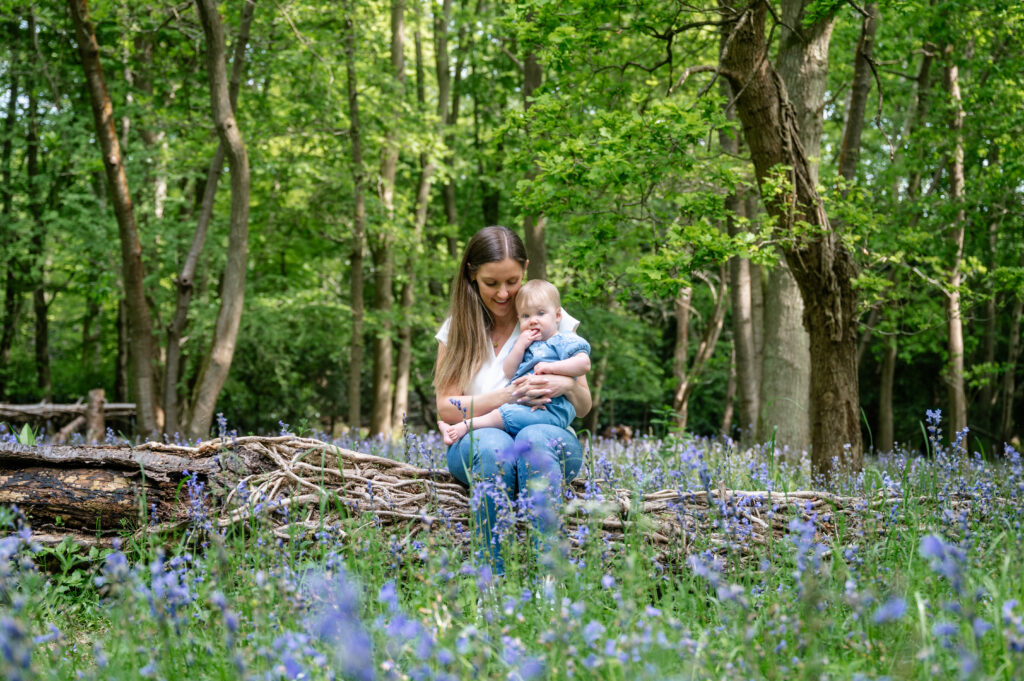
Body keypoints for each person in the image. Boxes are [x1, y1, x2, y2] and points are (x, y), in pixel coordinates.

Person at [434, 226, 591, 573]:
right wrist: (508, 395)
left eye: (513, 281)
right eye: (492, 283)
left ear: (526, 269)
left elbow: (583, 406)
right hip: (476, 440)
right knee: (492, 447)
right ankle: (490, 581)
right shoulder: (456, 330)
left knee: (534, 440)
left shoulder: (551, 320)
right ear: (472, 275)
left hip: (546, 434)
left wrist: (566, 384)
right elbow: (446, 407)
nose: (504, 293)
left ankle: (551, 579)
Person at [437, 279, 591, 445]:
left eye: (540, 314)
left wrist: (553, 369)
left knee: (504, 416)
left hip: (551, 409)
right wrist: (520, 345)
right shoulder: (528, 346)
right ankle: (462, 428)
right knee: (503, 417)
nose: (533, 320)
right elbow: (510, 371)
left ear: (558, 316)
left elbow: (583, 364)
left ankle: (464, 427)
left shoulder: (564, 339)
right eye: (525, 316)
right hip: (524, 406)